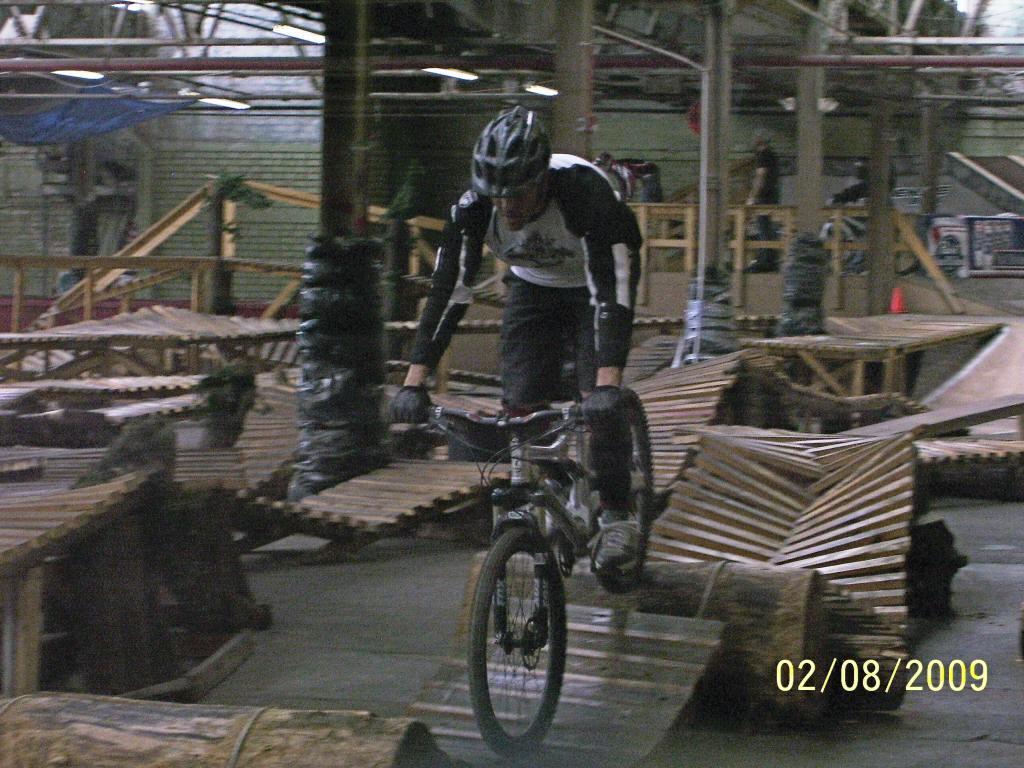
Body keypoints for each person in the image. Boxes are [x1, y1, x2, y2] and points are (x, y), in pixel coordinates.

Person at [390, 106, 645, 578]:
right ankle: (545, 491)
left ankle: (615, 511)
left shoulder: (583, 195)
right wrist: (414, 381)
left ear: (542, 181)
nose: (507, 206)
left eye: (519, 193)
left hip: (596, 283)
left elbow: (613, 289)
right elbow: (448, 293)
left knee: (598, 401)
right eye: (497, 194)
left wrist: (608, 382)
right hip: (533, 284)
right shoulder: (473, 211)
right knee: (522, 401)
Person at [746, 134, 781, 272]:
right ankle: (770, 259)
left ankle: (765, 261)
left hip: (764, 197)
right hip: (772, 195)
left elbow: (760, 176)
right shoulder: (773, 155)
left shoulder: (763, 155)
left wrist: (752, 197)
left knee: (763, 228)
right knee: (768, 228)